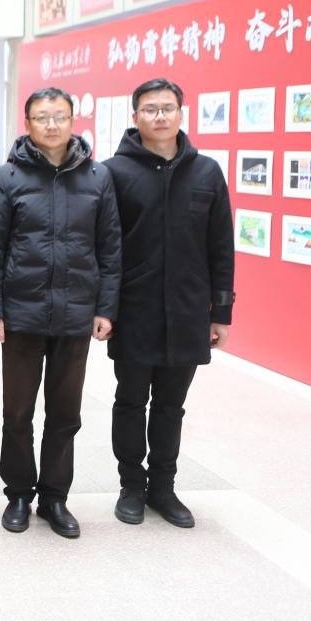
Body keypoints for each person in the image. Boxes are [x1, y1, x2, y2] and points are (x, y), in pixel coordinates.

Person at [0, 86, 121, 539]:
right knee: (17, 413)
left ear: (73, 120)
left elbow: (110, 248)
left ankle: (55, 498)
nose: (52, 124)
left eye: (59, 116)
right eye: (42, 117)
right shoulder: (7, 177)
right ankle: (19, 494)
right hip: (21, 314)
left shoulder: (97, 177)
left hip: (75, 314)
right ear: (28, 124)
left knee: (65, 414)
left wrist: (105, 307)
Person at [104, 78, 234, 529]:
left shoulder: (207, 172)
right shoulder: (114, 172)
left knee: (171, 405)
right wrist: (106, 308)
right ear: (135, 116)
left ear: (181, 113)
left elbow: (221, 247)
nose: (159, 116)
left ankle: (163, 487)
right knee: (130, 400)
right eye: (150, 109)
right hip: (134, 309)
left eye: (167, 108)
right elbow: (107, 248)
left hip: (188, 309)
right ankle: (130, 486)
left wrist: (221, 312)